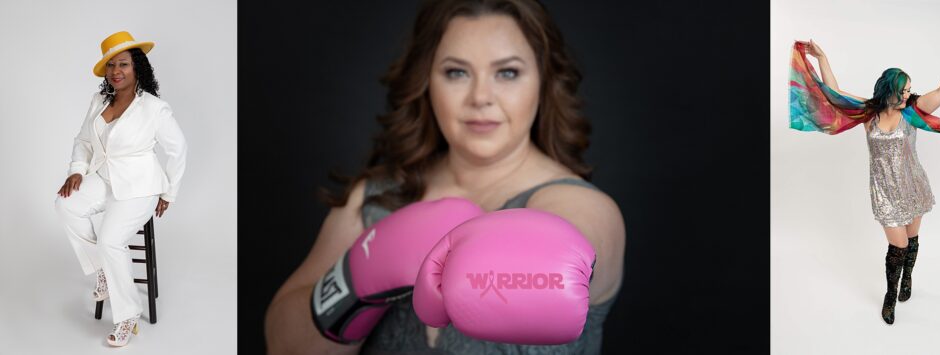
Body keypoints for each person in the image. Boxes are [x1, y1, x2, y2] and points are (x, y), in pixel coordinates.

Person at [264, 0, 625, 353]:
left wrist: (467, 266)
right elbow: (284, 345)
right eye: (456, 72)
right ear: (427, 81)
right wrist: (356, 276)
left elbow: (565, 254)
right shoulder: (376, 198)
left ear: (543, 82)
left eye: (508, 72)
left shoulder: (583, 207)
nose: (480, 97)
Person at [790, 35, 940, 324]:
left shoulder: (911, 113)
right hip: (884, 192)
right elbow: (834, 95)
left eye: (910, 90)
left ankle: (907, 277)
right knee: (896, 247)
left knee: (911, 241)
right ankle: (890, 295)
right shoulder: (868, 112)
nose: (908, 95)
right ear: (889, 91)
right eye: (904, 91)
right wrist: (822, 58)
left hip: (912, 186)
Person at [55, 30, 187, 347]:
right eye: (112, 65)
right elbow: (83, 141)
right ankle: (102, 270)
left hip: (141, 185)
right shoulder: (99, 100)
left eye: (124, 64)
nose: (117, 71)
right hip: (104, 177)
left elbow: (179, 149)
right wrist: (76, 171)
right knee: (65, 205)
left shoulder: (155, 108)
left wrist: (168, 193)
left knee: (110, 240)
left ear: (137, 67)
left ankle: (128, 315)